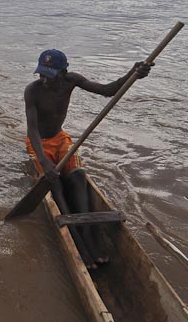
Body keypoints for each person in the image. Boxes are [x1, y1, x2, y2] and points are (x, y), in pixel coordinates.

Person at [25, 49, 152, 269]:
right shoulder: (33, 91)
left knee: (78, 176)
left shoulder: (72, 80)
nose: (43, 79)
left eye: (49, 74)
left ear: (64, 72)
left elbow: (108, 91)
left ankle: (90, 237)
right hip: (39, 143)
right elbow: (32, 129)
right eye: (41, 73)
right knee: (54, 183)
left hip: (60, 138)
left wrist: (134, 73)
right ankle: (79, 243)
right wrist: (45, 162)